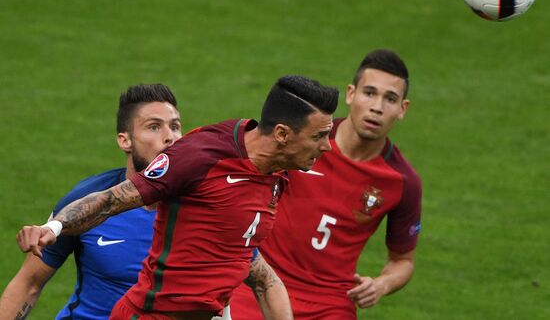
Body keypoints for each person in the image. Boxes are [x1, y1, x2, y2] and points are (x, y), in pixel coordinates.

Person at [16, 75, 339, 320]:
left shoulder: (275, 174)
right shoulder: (201, 156)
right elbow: (113, 200)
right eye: (319, 136)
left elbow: (261, 277)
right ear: (282, 134)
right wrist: (55, 228)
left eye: (174, 125)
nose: (326, 146)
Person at [230, 49, 422, 319]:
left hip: (330, 305)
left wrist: (380, 285)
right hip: (260, 284)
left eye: (390, 99)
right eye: (369, 93)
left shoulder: (402, 181)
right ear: (351, 94)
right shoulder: (300, 138)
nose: (377, 107)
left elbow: (402, 260)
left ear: (403, 109)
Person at [0, 83, 182, 320]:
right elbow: (29, 284)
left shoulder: (210, 205)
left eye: (175, 126)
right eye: (154, 127)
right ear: (125, 140)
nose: (170, 137)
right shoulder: (85, 202)